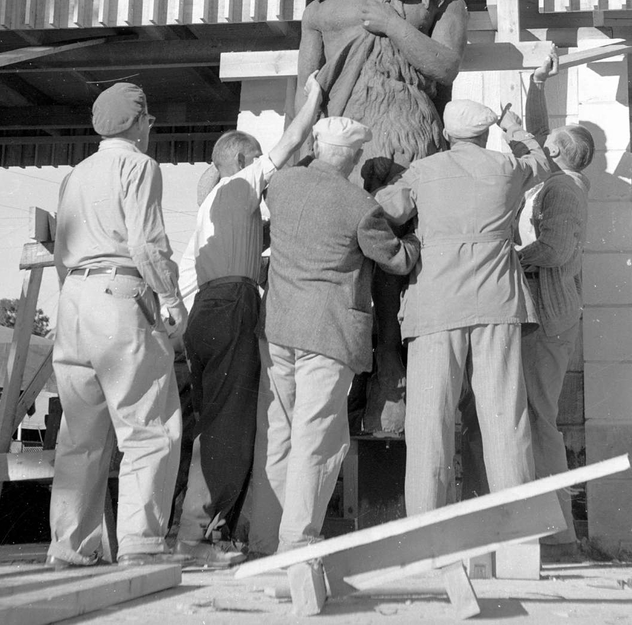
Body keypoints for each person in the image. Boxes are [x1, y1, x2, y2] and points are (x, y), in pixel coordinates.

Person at [296, 0, 468, 434]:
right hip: (411, 139)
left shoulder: (324, 6)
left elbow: (303, 98)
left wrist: (296, 163)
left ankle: (361, 386)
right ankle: (398, 385)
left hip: (347, 145)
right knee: (409, 260)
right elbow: (445, 67)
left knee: (349, 262)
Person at [245, 117, 421, 555]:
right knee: (317, 437)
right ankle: (298, 542)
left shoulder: (281, 186)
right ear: (357, 156)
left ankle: (265, 539)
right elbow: (396, 261)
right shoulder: (360, 206)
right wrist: (415, 240)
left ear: (319, 146)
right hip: (329, 334)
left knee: (278, 434)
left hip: (279, 328)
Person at [175, 73, 325, 566]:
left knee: (212, 423)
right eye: (258, 161)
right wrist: (314, 99)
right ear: (241, 161)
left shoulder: (209, 209)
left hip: (201, 314)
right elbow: (294, 139)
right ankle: (200, 536)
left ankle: (202, 528)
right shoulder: (242, 182)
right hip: (231, 306)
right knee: (230, 428)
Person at [376, 99, 552, 514]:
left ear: (445, 135)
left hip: (436, 304)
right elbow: (541, 161)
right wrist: (514, 128)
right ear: (486, 134)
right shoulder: (507, 168)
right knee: (505, 417)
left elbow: (379, 212)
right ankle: (517, 535)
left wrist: (406, 247)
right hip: (498, 303)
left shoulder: (423, 172)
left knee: (429, 422)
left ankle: (427, 529)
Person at [47, 82, 186, 568]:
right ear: (138, 120)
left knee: (79, 435)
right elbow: (147, 243)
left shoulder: (76, 174)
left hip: (73, 299)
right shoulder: (140, 165)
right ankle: (140, 545)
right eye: (148, 120)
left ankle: (70, 546)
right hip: (119, 291)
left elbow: (62, 251)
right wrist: (172, 301)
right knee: (147, 425)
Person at [462, 58, 595, 559]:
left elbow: (556, 251)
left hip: (548, 316)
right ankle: (531, 524)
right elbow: (538, 137)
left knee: (538, 418)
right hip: (538, 314)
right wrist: (536, 87)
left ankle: (558, 533)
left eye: (549, 144)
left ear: (560, 154)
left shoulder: (561, 189)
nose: (543, 145)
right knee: (523, 416)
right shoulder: (553, 175)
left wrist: (508, 256)